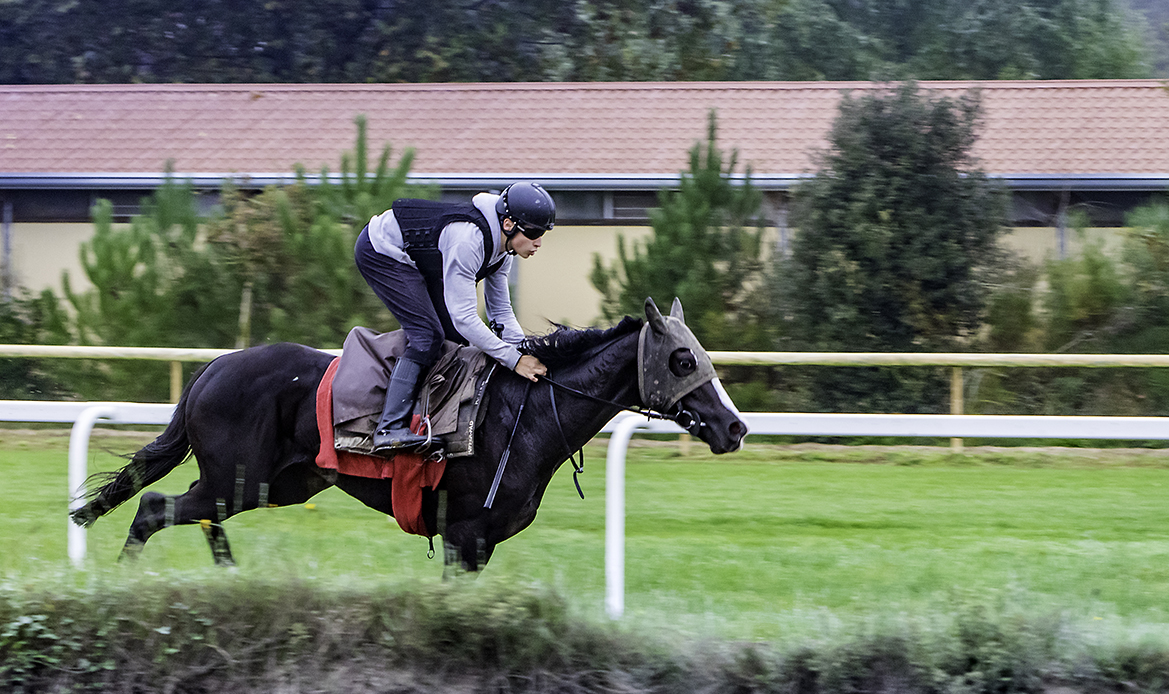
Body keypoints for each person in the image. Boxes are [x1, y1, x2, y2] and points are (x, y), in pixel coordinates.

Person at [355, 182, 554, 454]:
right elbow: (464, 318)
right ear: (508, 224)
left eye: (542, 233)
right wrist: (514, 360)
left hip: (419, 257)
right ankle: (390, 428)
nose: (538, 242)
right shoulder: (468, 241)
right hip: (381, 250)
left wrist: (525, 350)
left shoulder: (502, 251)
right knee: (427, 336)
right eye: (533, 233)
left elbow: (501, 314)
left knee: (455, 342)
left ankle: (432, 420)